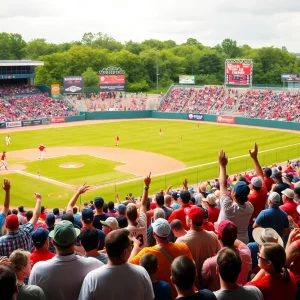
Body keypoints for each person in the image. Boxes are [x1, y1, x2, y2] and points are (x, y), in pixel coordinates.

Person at [29, 220, 103, 300]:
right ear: (75, 241)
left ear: (53, 242)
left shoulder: (38, 269)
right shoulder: (95, 265)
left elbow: (31, 297)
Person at [79, 229, 154, 300]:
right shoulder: (142, 273)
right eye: (130, 245)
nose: (131, 248)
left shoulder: (92, 278)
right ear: (124, 252)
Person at [129, 218, 193, 299]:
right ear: (169, 232)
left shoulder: (146, 252)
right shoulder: (183, 247)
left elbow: (128, 264)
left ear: (154, 233)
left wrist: (135, 246)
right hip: (185, 295)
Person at [217, 148, 254, 244]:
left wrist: (222, 165)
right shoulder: (249, 208)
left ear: (233, 193)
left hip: (227, 242)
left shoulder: (228, 207)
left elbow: (222, 185)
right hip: (243, 242)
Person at [202, 220, 252, 291]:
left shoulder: (209, 263)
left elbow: (203, 284)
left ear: (218, 237)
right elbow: (240, 244)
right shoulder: (246, 254)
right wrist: (231, 236)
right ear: (235, 237)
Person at [175, 206, 221, 279]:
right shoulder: (213, 236)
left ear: (191, 220)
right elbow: (220, 255)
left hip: (192, 282)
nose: (185, 217)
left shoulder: (181, 241)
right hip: (210, 279)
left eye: (187, 215)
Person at [0, 192, 41, 257]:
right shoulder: (26, 232)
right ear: (18, 224)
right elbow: (36, 215)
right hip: (27, 265)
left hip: (10, 267)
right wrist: (38, 199)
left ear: (6, 226)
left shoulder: (1, 242)